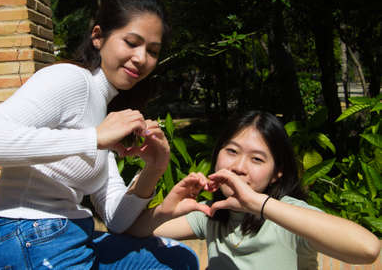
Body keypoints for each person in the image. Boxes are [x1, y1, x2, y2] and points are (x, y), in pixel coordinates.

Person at [0, 0, 198, 270]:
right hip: (33, 236)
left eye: (152, 51)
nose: (141, 58)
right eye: (132, 42)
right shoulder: (70, 80)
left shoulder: (104, 114)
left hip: (73, 235)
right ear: (98, 37)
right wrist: (93, 138)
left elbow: (117, 220)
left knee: (178, 258)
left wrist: (154, 168)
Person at [127, 110, 381, 269]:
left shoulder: (288, 217)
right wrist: (164, 198)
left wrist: (258, 204)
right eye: (232, 151)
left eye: (257, 159)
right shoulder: (212, 214)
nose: (238, 167)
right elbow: (131, 230)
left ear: (277, 173)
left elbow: (367, 249)